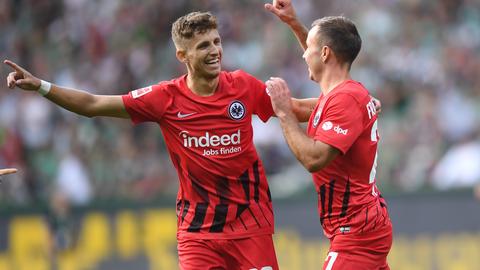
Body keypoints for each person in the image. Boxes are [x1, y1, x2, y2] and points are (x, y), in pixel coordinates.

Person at [3, 11, 322, 270]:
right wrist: (42, 86)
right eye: (203, 46)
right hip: (198, 235)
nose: (214, 51)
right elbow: (92, 105)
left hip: (251, 226)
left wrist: (348, 100)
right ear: (182, 54)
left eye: (216, 41)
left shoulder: (243, 87)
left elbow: (295, 109)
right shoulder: (164, 99)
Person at [265, 1, 392, 269]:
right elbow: (295, 105)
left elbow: (314, 158)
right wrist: (294, 24)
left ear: (324, 53)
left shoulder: (346, 99)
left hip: (356, 230)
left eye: (309, 49)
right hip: (360, 225)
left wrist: (285, 116)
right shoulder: (340, 96)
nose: (303, 55)